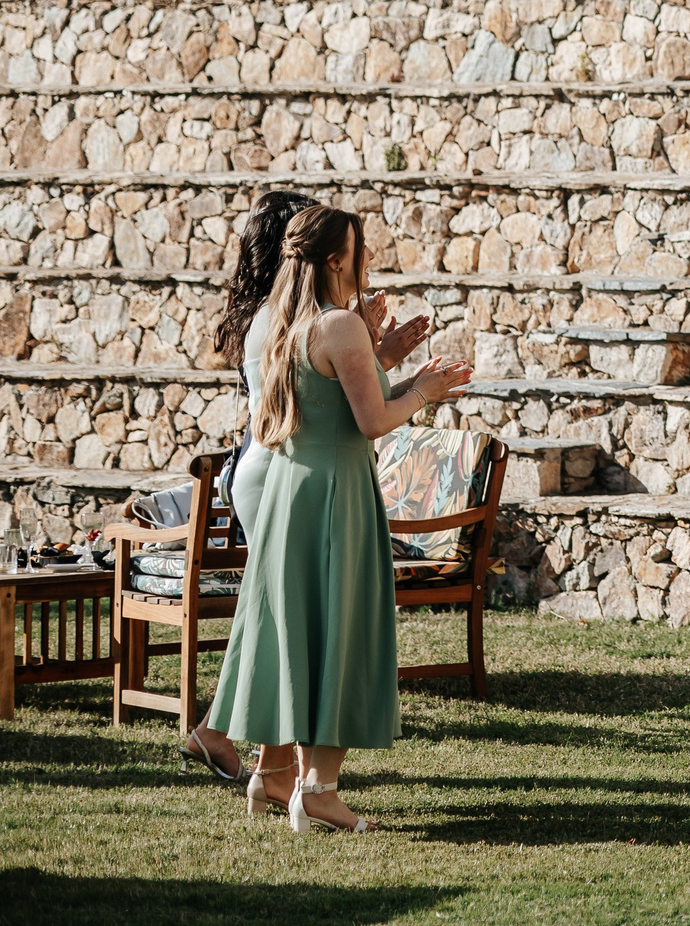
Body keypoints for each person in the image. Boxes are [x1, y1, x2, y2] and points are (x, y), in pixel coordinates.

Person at [207, 206, 470, 831]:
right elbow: (371, 420)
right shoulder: (339, 325)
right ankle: (318, 792)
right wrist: (425, 391)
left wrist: (383, 353)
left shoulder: (280, 327)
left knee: (291, 634)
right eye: (358, 248)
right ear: (334, 261)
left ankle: (272, 778)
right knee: (338, 637)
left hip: (287, 494)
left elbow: (328, 393)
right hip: (334, 494)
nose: (365, 259)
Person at [175, 188, 319, 785]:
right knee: (284, 618)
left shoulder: (262, 311)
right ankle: (268, 758)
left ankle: (225, 736)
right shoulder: (285, 317)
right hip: (278, 470)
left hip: (256, 468)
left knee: (270, 612)